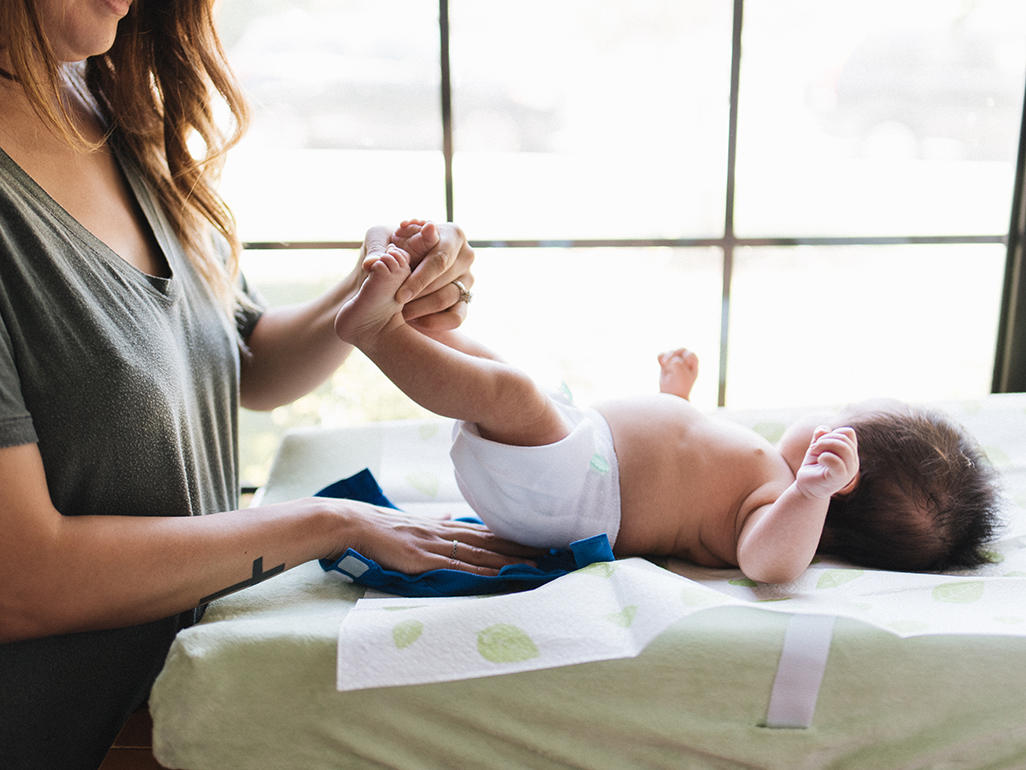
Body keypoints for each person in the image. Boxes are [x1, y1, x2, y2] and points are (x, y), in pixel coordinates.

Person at [0, 2, 536, 767]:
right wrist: (330, 523)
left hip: (182, 718)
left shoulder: (105, 100)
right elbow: (22, 580)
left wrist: (372, 292)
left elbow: (241, 358)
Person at [335, 220, 1002, 586]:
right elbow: (680, 464)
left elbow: (768, 566)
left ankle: (378, 334)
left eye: (837, 426)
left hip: (577, 493)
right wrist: (675, 401)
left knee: (510, 393)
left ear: (841, 478)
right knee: (503, 373)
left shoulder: (777, 505)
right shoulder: (759, 470)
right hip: (579, 458)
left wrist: (809, 493)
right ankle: (419, 331)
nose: (821, 423)